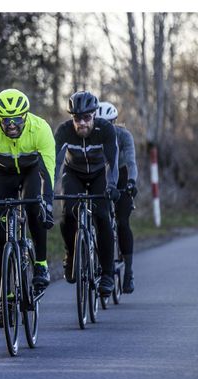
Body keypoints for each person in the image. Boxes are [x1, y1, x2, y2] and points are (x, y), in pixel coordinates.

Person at [0, 88, 56, 328]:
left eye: (16, 118)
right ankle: (5, 298)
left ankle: (41, 265)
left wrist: (47, 203)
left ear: (25, 116)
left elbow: (48, 170)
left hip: (31, 172)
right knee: (1, 237)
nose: (11, 124)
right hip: (3, 174)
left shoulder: (41, 128)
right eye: (5, 120)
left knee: (36, 209)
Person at [54, 91, 120, 296]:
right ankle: (71, 254)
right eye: (76, 118)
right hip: (73, 174)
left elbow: (112, 162)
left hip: (100, 175)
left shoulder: (106, 129)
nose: (81, 123)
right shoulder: (64, 131)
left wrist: (112, 186)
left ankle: (108, 275)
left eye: (86, 117)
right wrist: (47, 191)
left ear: (94, 115)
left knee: (102, 217)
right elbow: (54, 163)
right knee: (67, 214)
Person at [96, 101, 139, 293]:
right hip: (99, 175)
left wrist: (131, 182)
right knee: (99, 218)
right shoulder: (92, 135)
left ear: (114, 122)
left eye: (109, 123)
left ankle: (128, 271)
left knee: (122, 222)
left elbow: (131, 162)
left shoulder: (124, 135)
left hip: (120, 175)